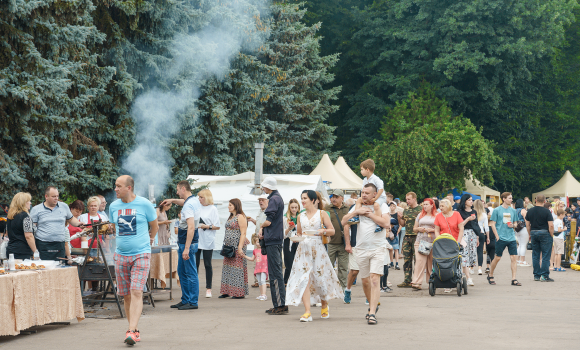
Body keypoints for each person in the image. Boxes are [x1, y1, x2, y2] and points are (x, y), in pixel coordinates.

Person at [109, 175, 158, 345]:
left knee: (137, 291)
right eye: (115, 186)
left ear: (128, 188)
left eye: (118, 186)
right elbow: (115, 227)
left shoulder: (144, 204)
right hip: (121, 255)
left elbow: (155, 225)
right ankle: (134, 330)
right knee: (126, 295)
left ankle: (130, 331)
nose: (115, 189)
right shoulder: (114, 206)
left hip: (141, 253)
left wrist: (150, 241)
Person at [286, 190, 342, 322]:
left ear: (313, 200)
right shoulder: (300, 216)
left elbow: (332, 231)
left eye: (305, 198)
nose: (303, 201)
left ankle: (324, 304)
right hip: (303, 250)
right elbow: (300, 233)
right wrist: (295, 237)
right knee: (304, 279)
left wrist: (323, 231)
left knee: (319, 278)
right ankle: (307, 312)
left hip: (317, 249)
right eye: (302, 198)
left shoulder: (322, 214)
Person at [341, 184, 390, 324]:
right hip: (361, 249)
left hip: (377, 248)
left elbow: (386, 223)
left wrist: (369, 214)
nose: (364, 195)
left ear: (374, 194)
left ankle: (372, 312)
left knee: (375, 279)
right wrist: (357, 212)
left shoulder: (382, 206)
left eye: (367, 193)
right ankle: (371, 305)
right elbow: (344, 222)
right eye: (362, 192)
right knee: (365, 281)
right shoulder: (357, 207)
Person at [160, 180, 202, 310]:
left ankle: (192, 301)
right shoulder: (193, 200)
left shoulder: (189, 206)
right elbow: (183, 202)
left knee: (190, 273)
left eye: (178, 190)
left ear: (183, 188)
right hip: (187, 243)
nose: (177, 192)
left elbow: (191, 227)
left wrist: (187, 248)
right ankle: (185, 300)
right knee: (182, 272)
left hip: (187, 244)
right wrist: (172, 200)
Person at [257, 177, 287, 315]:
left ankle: (280, 304)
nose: (263, 188)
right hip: (274, 239)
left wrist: (261, 227)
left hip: (273, 240)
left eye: (264, 186)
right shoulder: (277, 198)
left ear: (268, 186)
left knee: (275, 273)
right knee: (275, 273)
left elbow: (268, 221)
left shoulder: (274, 199)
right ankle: (279, 304)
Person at [30, 186, 83, 261]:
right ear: (46, 196)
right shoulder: (36, 209)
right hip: (43, 245)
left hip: (60, 245)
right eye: (53, 196)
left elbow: (71, 219)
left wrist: (79, 224)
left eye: (57, 196)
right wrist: (34, 250)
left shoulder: (64, 206)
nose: (56, 198)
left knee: (59, 269)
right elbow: (31, 230)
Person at [219, 198, 249, 299]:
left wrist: (239, 247)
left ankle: (238, 292)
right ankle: (226, 291)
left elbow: (243, 232)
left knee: (237, 269)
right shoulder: (232, 216)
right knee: (227, 268)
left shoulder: (240, 217)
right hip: (229, 246)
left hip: (237, 246)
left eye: (230, 205)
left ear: (236, 206)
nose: (228, 206)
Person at [488, 192, 521, 286]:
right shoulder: (497, 210)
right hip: (501, 237)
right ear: (504, 199)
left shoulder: (513, 211)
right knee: (498, 257)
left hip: (511, 237)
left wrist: (513, 225)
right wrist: (496, 236)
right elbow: (492, 223)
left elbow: (515, 223)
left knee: (513, 257)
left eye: (511, 198)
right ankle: (490, 274)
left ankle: (514, 279)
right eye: (510, 198)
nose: (511, 200)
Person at [434, 199, 466, 293]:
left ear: (448, 206)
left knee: (455, 260)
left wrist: (458, 241)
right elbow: (436, 230)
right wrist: (438, 240)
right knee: (443, 260)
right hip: (442, 242)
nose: (441, 208)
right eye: (440, 206)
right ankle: (444, 279)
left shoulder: (456, 214)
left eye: (442, 206)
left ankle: (454, 278)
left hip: (454, 241)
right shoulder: (438, 216)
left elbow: (461, 228)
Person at [196, 189, 221, 298]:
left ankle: (208, 288)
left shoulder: (213, 209)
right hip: (197, 239)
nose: (199, 199)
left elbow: (217, 226)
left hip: (208, 239)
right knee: (195, 264)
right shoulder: (197, 207)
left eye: (201, 197)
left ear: (206, 198)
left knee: (207, 264)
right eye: (199, 197)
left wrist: (206, 226)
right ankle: (194, 288)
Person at [525, 194, 555, 281]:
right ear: (545, 201)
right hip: (545, 232)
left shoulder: (530, 211)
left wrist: (529, 234)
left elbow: (527, 225)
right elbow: (551, 225)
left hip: (534, 232)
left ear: (535, 200)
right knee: (546, 255)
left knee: (535, 254)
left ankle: (536, 275)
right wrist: (551, 234)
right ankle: (544, 275)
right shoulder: (547, 211)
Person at [325, 189, 350, 289]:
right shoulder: (327, 208)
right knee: (328, 267)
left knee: (343, 267)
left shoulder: (347, 209)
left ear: (342, 198)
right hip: (330, 243)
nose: (333, 199)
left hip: (343, 243)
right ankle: (328, 287)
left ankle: (342, 288)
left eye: (336, 197)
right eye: (332, 197)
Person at [397, 192, 422, 288]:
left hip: (417, 237)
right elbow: (403, 224)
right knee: (407, 259)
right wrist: (399, 218)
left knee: (417, 260)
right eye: (406, 199)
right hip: (407, 237)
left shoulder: (420, 210)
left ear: (414, 199)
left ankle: (416, 281)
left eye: (409, 199)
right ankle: (407, 280)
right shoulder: (406, 210)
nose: (407, 201)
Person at [411, 198, 437, 290]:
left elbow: (441, 228)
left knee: (431, 263)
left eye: (426, 204)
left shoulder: (437, 215)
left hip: (433, 241)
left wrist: (433, 230)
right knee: (419, 261)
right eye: (424, 204)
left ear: (432, 205)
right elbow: (414, 228)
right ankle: (416, 282)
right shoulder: (420, 215)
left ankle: (431, 281)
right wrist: (418, 229)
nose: (424, 206)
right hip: (420, 241)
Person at [457, 194, 482, 286]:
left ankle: (465, 275)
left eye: (472, 200)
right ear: (465, 201)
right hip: (463, 234)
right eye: (469, 200)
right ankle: (467, 277)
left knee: (471, 255)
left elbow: (476, 224)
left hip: (473, 234)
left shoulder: (474, 211)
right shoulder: (459, 212)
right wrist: (468, 219)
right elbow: (460, 225)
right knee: (464, 255)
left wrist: (478, 236)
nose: (471, 201)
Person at [6, 192, 37, 259]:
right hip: (23, 251)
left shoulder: (10, 216)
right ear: (23, 203)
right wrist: (35, 251)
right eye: (29, 201)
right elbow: (28, 236)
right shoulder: (25, 216)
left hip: (11, 250)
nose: (30, 203)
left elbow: (8, 233)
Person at [247, 194, 269, 288]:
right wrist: (252, 220)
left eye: (263, 200)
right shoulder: (260, 212)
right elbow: (259, 225)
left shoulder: (269, 213)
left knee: (265, 259)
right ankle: (257, 279)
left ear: (268, 201)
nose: (260, 202)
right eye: (259, 200)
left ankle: (266, 280)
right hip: (257, 239)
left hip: (265, 239)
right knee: (257, 259)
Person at [343, 198, 359, 304]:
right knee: (354, 271)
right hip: (356, 244)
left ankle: (370, 295)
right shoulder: (354, 208)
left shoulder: (377, 207)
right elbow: (346, 225)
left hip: (371, 245)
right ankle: (348, 289)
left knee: (372, 273)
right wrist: (348, 244)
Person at [283, 198, 300, 285]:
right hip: (288, 242)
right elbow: (283, 235)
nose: (294, 209)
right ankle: (285, 282)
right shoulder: (285, 218)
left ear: (298, 208)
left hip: (299, 241)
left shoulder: (301, 217)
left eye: (295, 207)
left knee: (298, 264)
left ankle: (296, 283)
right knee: (289, 265)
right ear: (289, 208)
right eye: (292, 207)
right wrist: (289, 229)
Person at [474, 199, 489, 275]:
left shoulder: (472, 214)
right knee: (480, 251)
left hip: (472, 233)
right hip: (481, 233)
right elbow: (486, 227)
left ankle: (471, 267)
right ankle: (479, 268)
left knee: (471, 251)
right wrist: (488, 237)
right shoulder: (484, 214)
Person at [514, 199, 530, 267]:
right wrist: (528, 229)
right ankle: (522, 261)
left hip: (516, 229)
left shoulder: (514, 211)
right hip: (523, 228)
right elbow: (526, 220)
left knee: (520, 245)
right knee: (523, 245)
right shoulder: (523, 210)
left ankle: (517, 260)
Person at [386, 202, 400, 270]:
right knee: (390, 249)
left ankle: (397, 263)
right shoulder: (387, 214)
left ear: (395, 207)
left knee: (396, 249)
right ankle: (391, 262)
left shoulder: (397, 214)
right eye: (391, 205)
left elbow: (400, 224)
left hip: (395, 233)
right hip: (389, 233)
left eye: (393, 206)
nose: (392, 207)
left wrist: (398, 232)